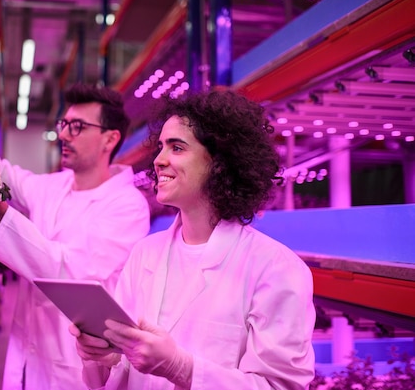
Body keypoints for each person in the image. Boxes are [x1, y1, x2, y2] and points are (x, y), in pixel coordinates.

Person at [69, 90, 316, 390]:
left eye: (177, 148)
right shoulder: (145, 254)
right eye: (161, 147)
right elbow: (120, 373)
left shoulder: (276, 268)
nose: (159, 160)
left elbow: (281, 386)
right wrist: (102, 357)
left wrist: (182, 369)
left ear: (220, 162)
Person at [0, 83, 151, 390]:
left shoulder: (127, 207)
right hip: (27, 358)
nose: (63, 135)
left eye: (77, 127)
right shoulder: (54, 186)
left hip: (73, 367)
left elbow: (68, 272)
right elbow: (10, 176)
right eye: (64, 124)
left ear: (109, 139)